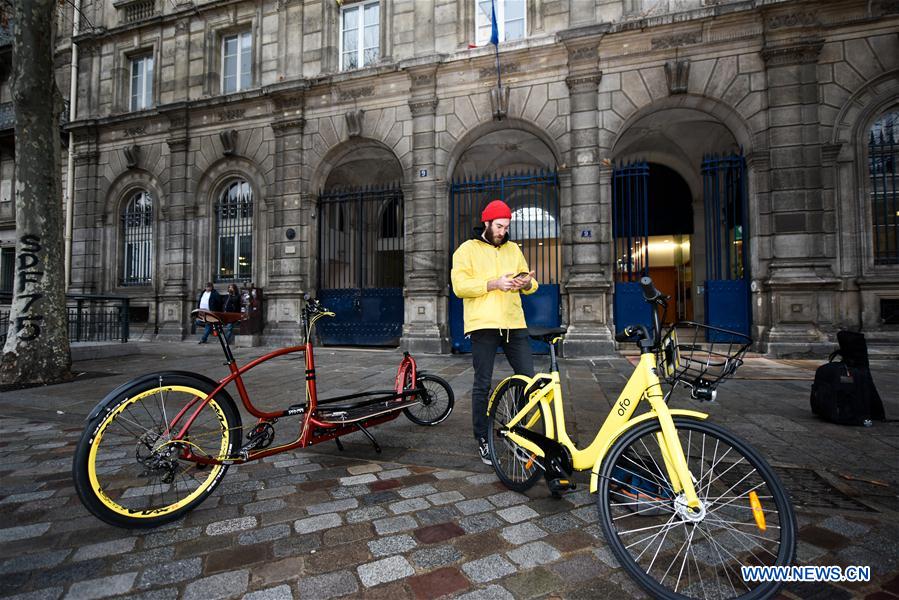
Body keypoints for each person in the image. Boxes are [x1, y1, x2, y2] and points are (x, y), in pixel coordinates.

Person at [451, 199, 538, 465]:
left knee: (528, 380)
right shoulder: (466, 250)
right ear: (486, 223)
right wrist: (493, 283)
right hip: (483, 324)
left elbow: (532, 285)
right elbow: (459, 287)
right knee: (483, 383)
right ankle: (483, 438)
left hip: (514, 322)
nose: (503, 231)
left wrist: (525, 283)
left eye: (507, 226)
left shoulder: (513, 249)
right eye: (499, 226)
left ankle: (516, 432)